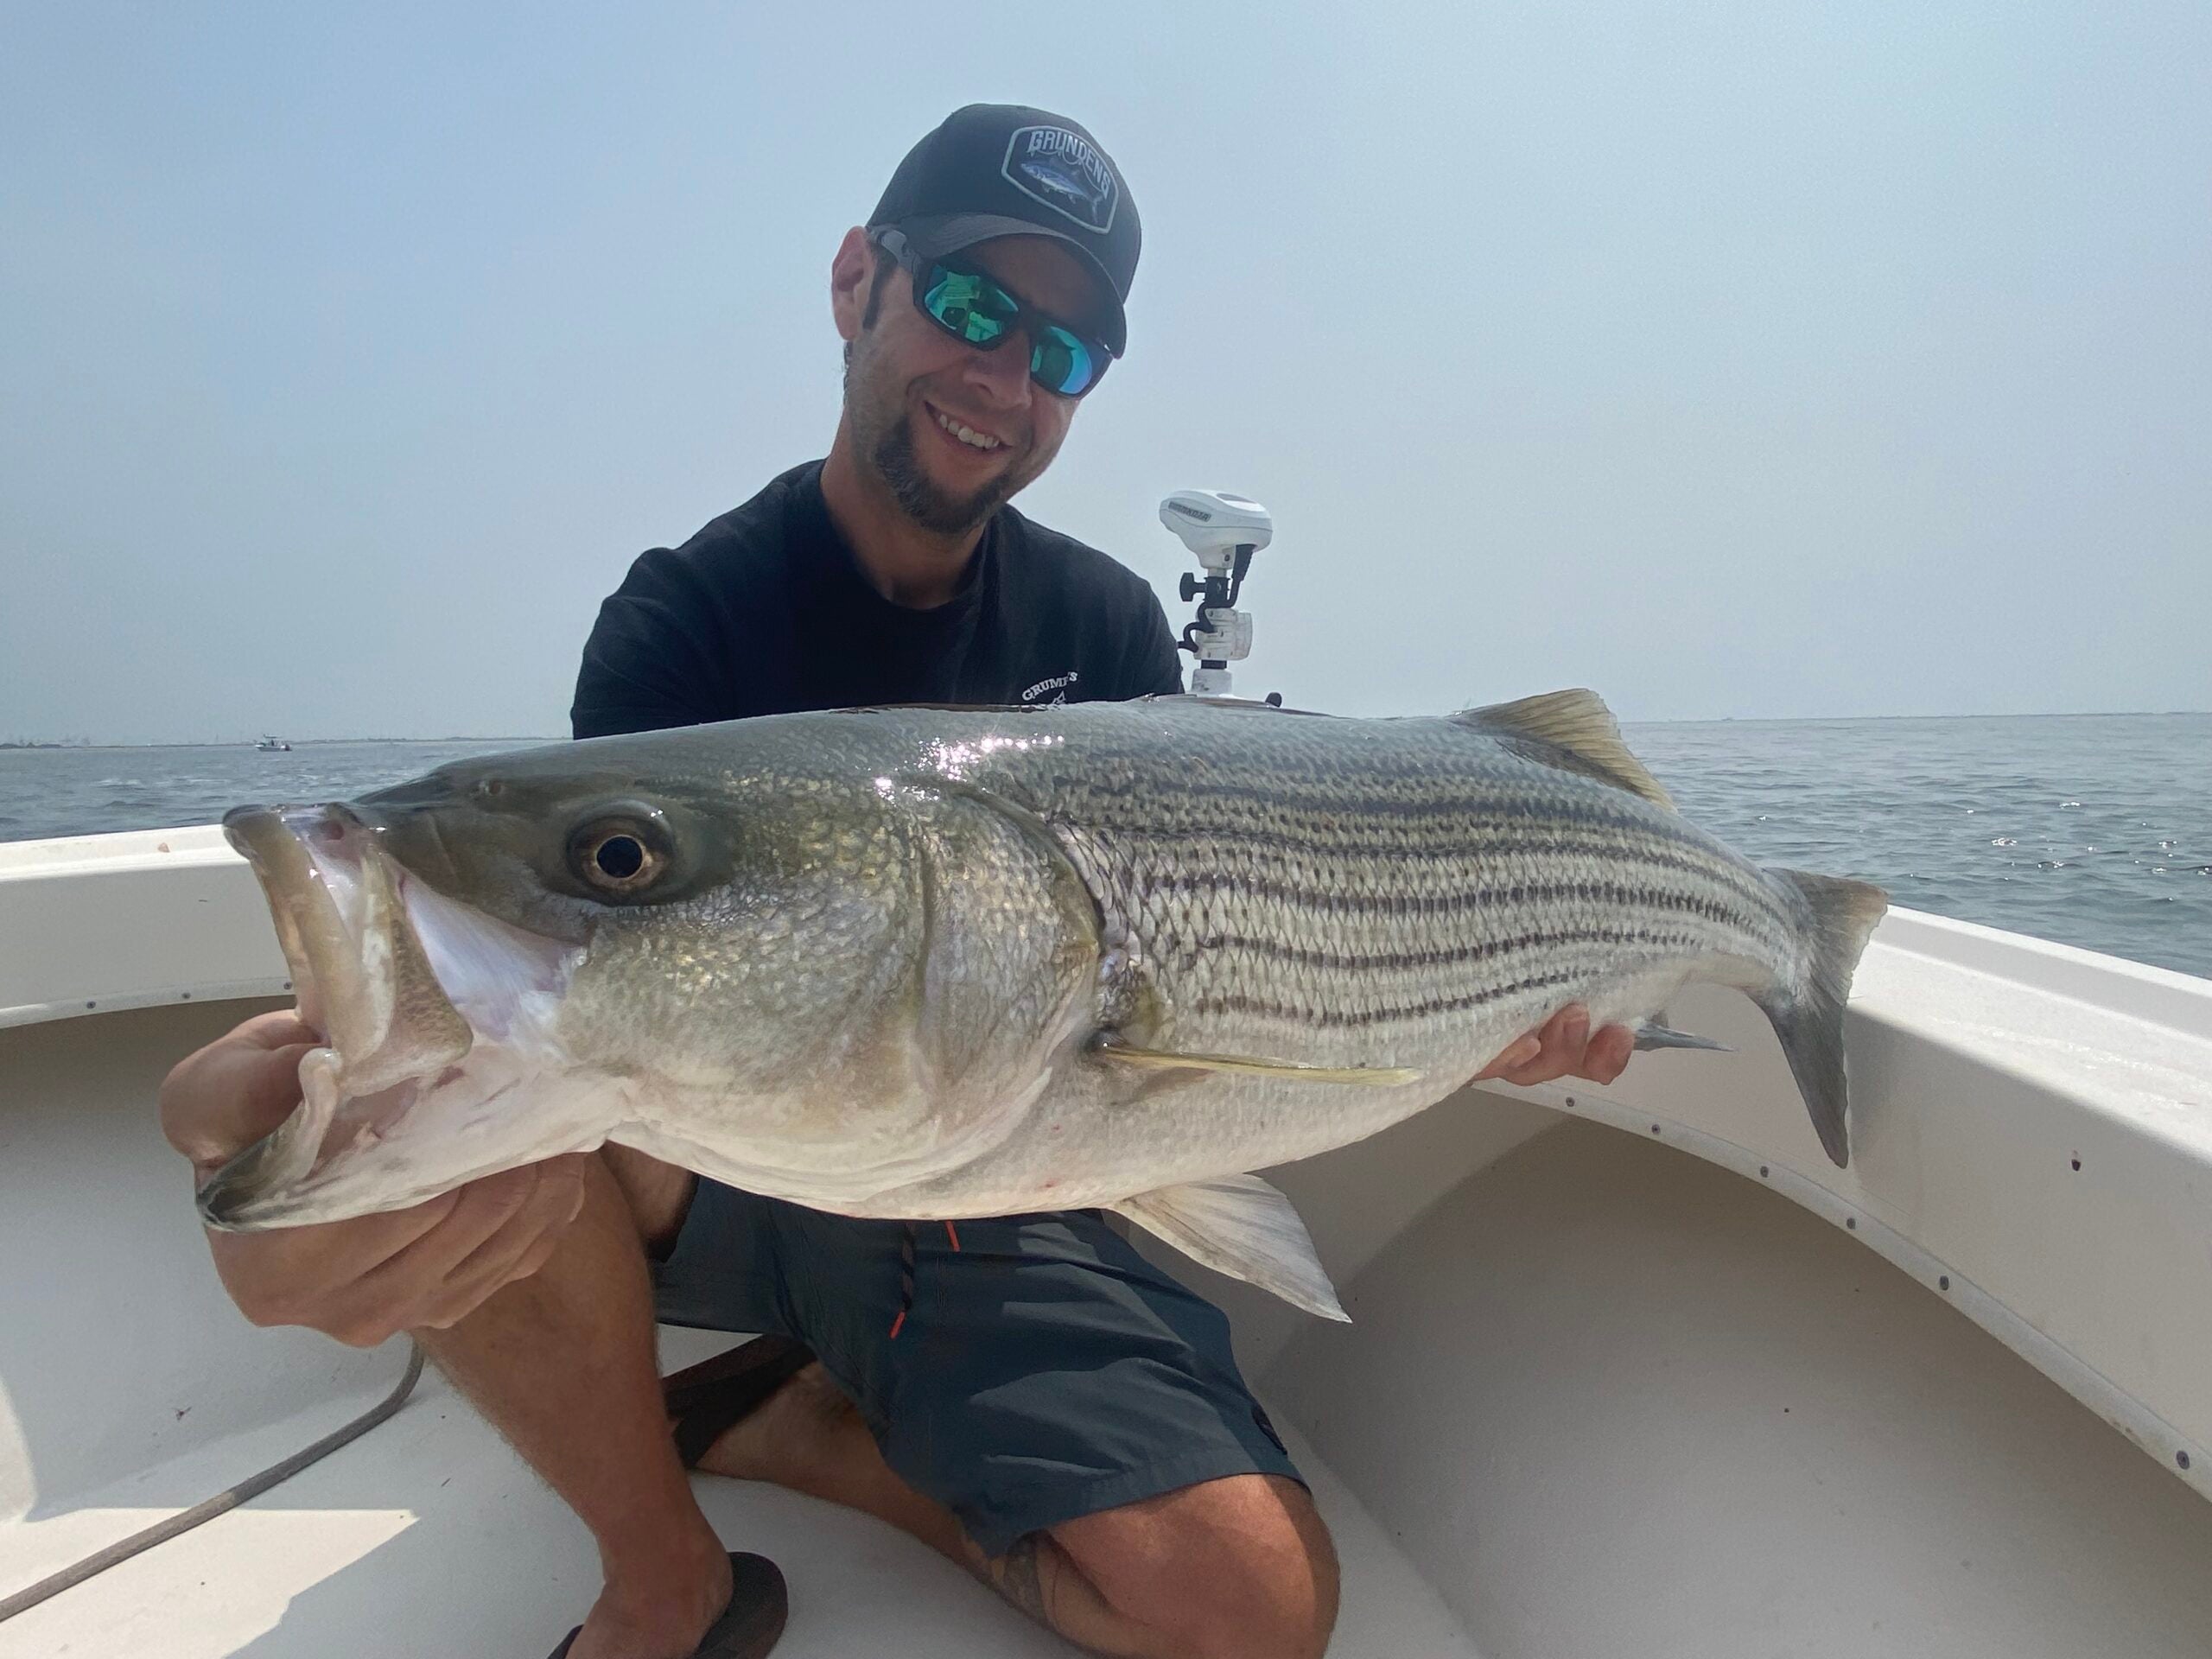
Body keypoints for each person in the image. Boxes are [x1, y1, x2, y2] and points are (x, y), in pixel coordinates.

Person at [160, 105, 1636, 1659]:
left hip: (1016, 1162)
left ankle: (811, 1427)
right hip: (736, 1157)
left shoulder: (1108, 625)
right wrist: (248, 1125)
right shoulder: (689, 617)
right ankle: (670, 1576)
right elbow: (594, 979)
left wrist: (1486, 1008)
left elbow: (1241, 967)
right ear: (862, 279)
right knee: (477, 1129)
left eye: (1060, 353)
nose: (1004, 378)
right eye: (973, 305)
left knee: (1247, 1615)